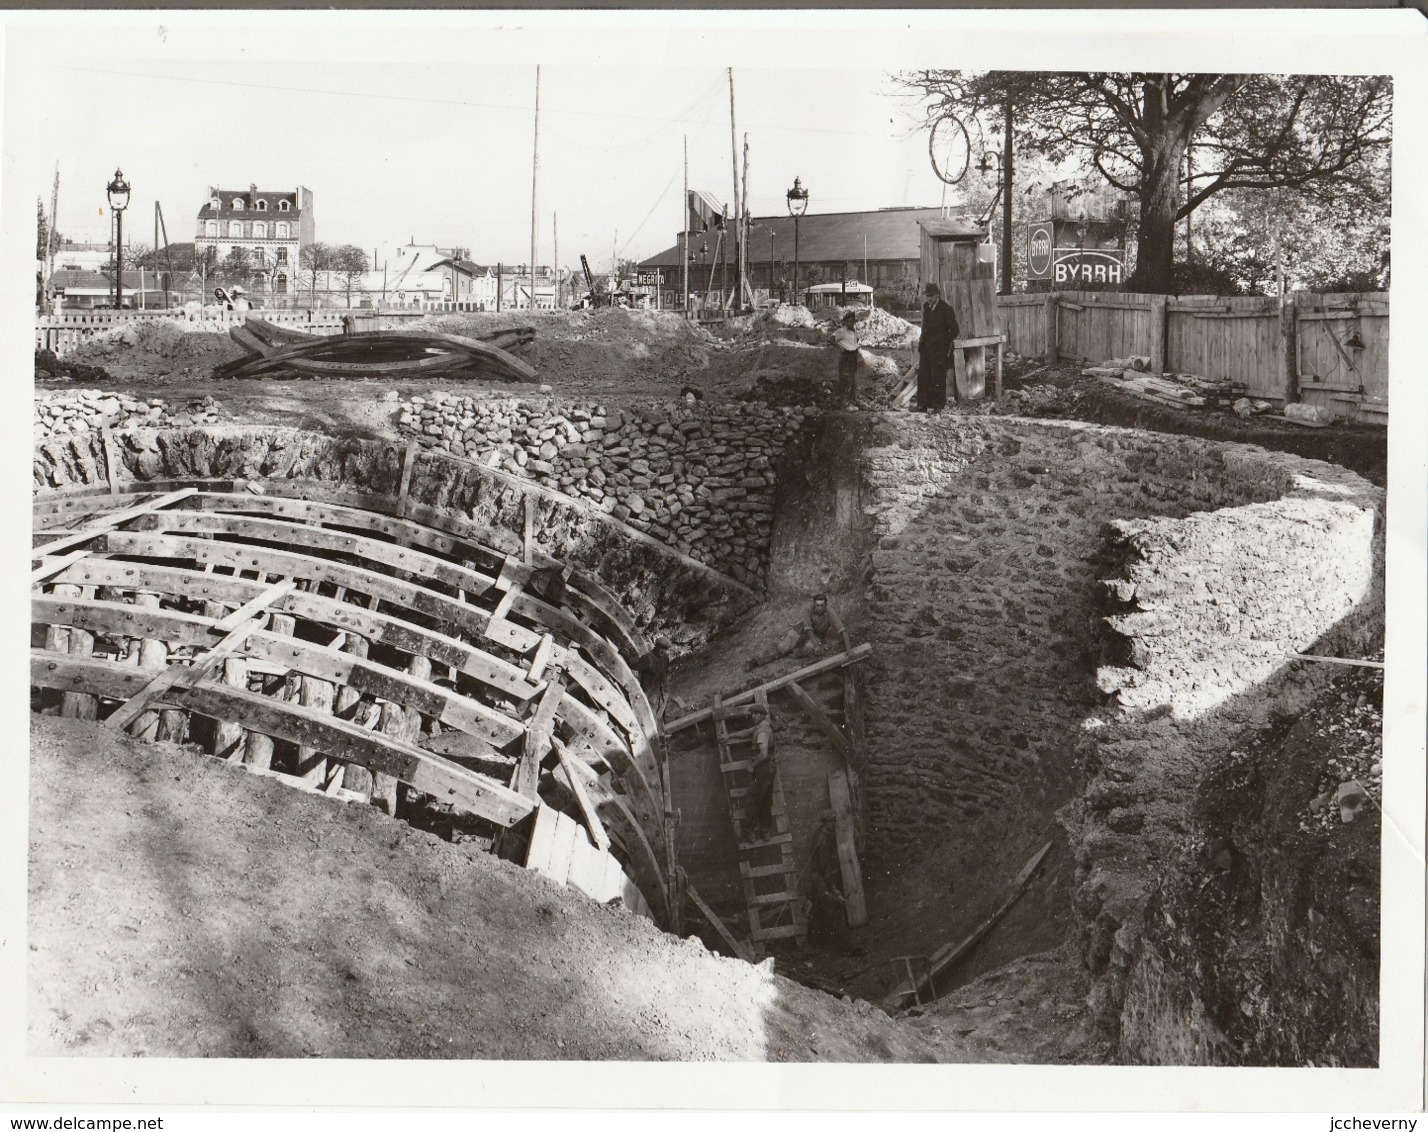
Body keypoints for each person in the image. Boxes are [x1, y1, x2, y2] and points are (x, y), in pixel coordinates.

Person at [746, 593, 850, 671]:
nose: (819, 608)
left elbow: (842, 630)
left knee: (808, 648)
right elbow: (808, 629)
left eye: (822, 605)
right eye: (817, 605)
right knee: (783, 647)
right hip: (801, 630)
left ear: (825, 604)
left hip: (817, 634)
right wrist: (817, 645)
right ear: (814, 604)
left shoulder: (829, 612)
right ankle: (756, 660)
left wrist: (849, 650)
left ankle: (798, 651)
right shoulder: (808, 609)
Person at [917, 282, 960, 412]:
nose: (929, 298)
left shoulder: (946, 309)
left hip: (939, 350)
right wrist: (922, 340)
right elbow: (925, 326)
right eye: (927, 296)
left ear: (937, 295)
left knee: (938, 376)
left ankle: (937, 405)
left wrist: (942, 343)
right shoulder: (926, 307)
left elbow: (954, 330)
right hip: (926, 347)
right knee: (923, 375)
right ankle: (923, 404)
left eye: (931, 296)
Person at [738, 704, 777, 841]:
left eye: (756, 713)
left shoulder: (762, 731)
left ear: (762, 715)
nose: (753, 716)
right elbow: (746, 732)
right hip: (768, 768)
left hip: (763, 768)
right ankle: (765, 831)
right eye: (752, 713)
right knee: (765, 799)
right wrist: (728, 736)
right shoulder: (760, 726)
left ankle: (750, 831)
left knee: (753, 799)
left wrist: (752, 766)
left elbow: (764, 754)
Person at [633, 634, 672, 719]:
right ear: (656, 647)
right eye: (661, 648)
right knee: (648, 713)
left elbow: (666, 671)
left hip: (661, 690)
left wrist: (666, 683)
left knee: (660, 711)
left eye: (665, 649)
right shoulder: (647, 658)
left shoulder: (665, 658)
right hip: (649, 691)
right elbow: (635, 668)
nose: (663, 651)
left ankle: (658, 720)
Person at [831, 311, 861, 405]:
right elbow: (831, 339)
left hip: (854, 356)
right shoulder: (842, 331)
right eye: (847, 321)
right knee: (845, 378)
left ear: (854, 322)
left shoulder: (854, 332)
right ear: (845, 322)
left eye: (851, 321)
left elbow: (856, 341)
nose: (849, 323)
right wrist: (840, 347)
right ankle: (844, 401)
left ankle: (851, 399)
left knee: (852, 378)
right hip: (846, 356)